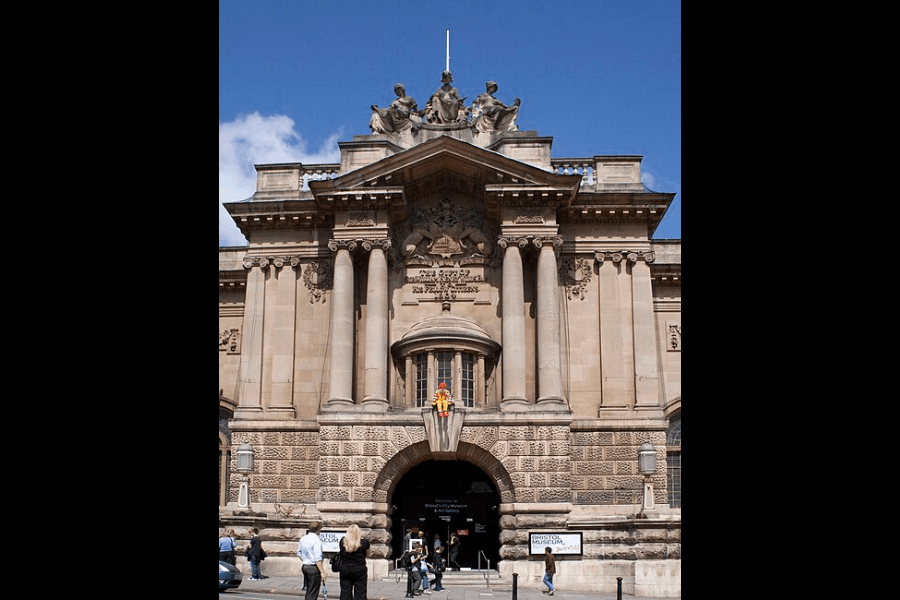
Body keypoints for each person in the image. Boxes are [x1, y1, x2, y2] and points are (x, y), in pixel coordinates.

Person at [338, 524, 370, 600]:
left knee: (345, 592)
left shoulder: (343, 542)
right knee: (360, 593)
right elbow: (368, 554)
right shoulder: (364, 543)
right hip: (359, 569)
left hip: (345, 569)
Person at [297, 521, 328, 600]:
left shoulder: (303, 539)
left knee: (309, 590)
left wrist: (305, 559)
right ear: (318, 529)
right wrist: (322, 572)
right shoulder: (317, 541)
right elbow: (317, 559)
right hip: (313, 568)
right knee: (313, 592)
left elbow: (298, 552)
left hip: (305, 566)